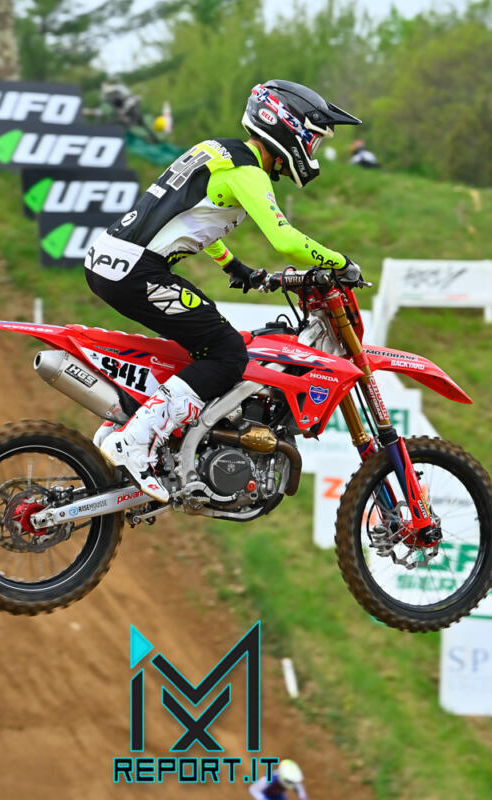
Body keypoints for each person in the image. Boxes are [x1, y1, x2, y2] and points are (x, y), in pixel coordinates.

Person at [86, 79, 361, 501]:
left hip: (113, 259)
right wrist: (340, 263)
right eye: (313, 140)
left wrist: (233, 265)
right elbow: (285, 240)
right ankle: (135, 442)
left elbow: (191, 215)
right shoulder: (247, 172)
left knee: (201, 343)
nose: (313, 151)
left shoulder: (218, 151)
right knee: (228, 353)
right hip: (136, 270)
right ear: (288, 128)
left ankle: (122, 425)